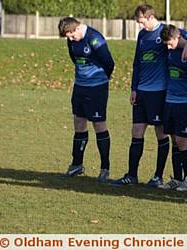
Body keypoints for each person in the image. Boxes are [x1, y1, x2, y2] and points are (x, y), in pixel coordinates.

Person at [112, 4, 187, 187]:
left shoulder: (166, 31)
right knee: (136, 132)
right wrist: (134, 88)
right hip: (142, 91)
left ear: (151, 18)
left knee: (161, 134)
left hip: (159, 93)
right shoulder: (142, 35)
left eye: (142, 22)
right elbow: (137, 63)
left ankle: (158, 176)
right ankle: (132, 175)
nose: (140, 26)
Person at [58, 17, 115, 183]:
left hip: (97, 88)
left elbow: (109, 62)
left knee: (99, 125)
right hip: (80, 87)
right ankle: (77, 164)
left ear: (77, 29)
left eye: (71, 35)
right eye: (67, 37)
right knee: (79, 123)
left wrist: (101, 77)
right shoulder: (71, 41)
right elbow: (74, 58)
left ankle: (105, 168)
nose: (70, 39)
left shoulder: (94, 38)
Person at [157, 24, 187, 191]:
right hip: (170, 100)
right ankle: (176, 178)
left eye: (170, 43)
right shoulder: (170, 48)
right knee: (174, 140)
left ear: (178, 38)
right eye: (166, 44)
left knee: (182, 140)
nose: (168, 47)